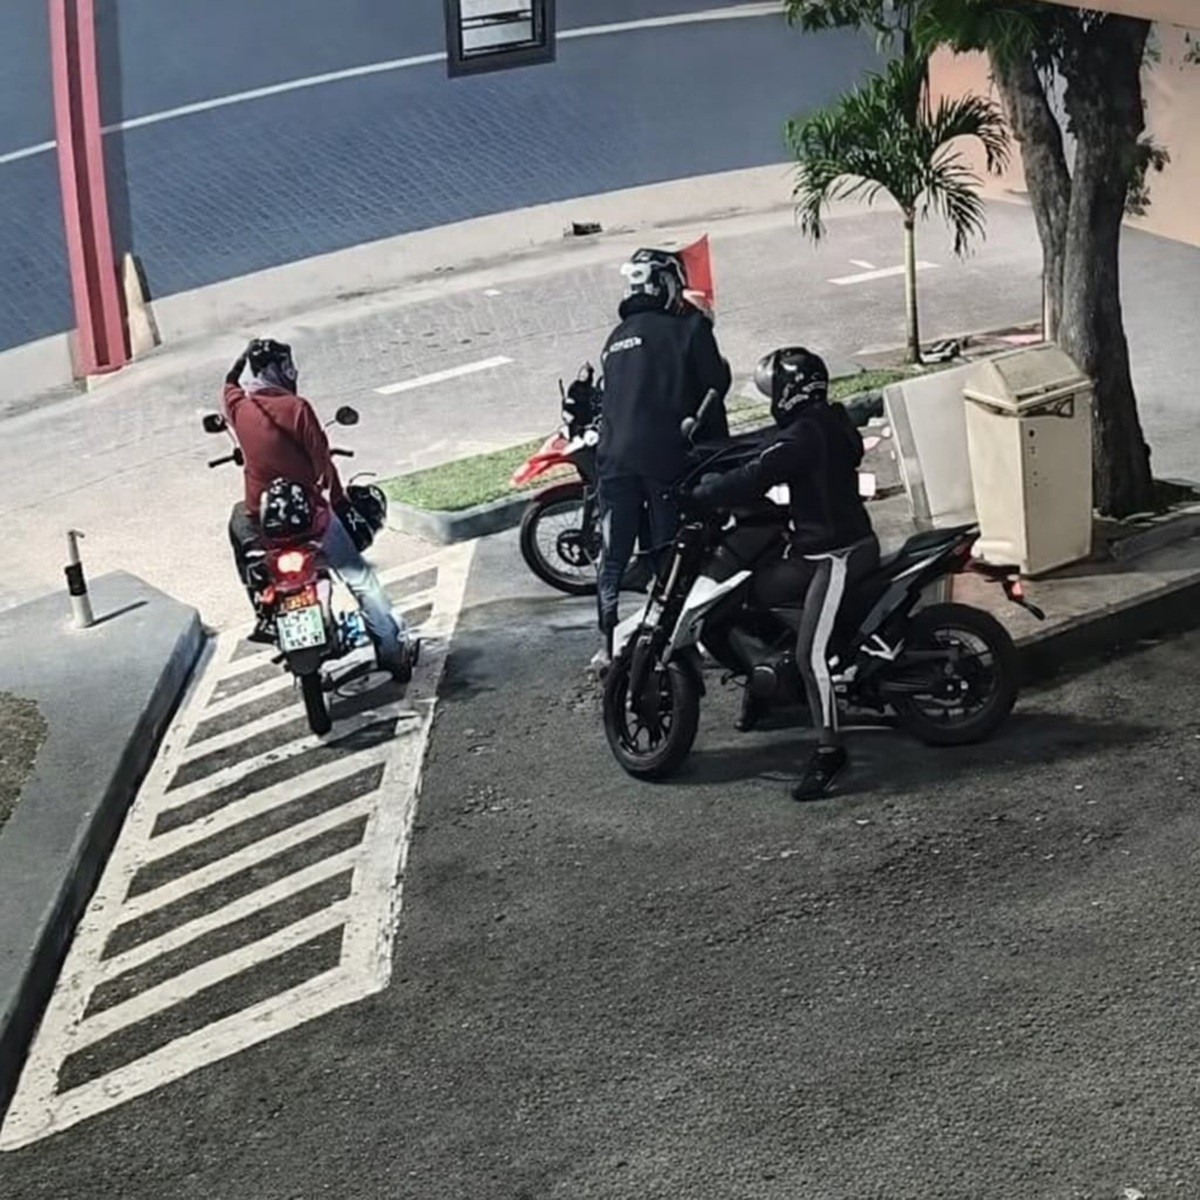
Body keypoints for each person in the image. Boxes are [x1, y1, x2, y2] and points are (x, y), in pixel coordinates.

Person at [688, 347, 880, 802]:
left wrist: (705, 492)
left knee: (810, 654)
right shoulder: (824, 421)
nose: (770, 398)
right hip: (813, 550)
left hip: (839, 554)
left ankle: (830, 753)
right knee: (750, 596)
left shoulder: (805, 436)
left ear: (789, 391)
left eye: (772, 389)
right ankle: (768, 689)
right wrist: (710, 457)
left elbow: (758, 470)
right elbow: (763, 449)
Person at [222, 338, 416, 681]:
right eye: (283, 366)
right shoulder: (297, 408)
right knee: (360, 578)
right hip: (310, 516)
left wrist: (241, 361)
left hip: (264, 521)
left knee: (243, 537)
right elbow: (323, 466)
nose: (289, 372)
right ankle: (390, 648)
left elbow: (228, 384)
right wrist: (340, 503)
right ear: (276, 371)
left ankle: (262, 607)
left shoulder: (239, 408)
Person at [592, 247, 732, 669]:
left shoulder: (614, 341)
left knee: (613, 557)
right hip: (667, 458)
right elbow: (713, 394)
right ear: (668, 283)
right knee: (669, 551)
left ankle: (608, 645)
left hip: (613, 460)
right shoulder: (689, 329)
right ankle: (673, 639)